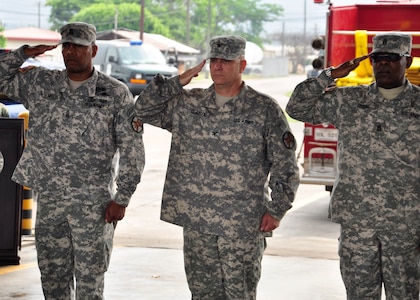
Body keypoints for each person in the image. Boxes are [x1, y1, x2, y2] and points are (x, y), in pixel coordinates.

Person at [133, 35, 300, 299]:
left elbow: (285, 164)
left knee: (240, 294)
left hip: (242, 224)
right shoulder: (190, 103)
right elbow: (142, 110)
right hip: (198, 222)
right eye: (214, 60)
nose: (218, 66)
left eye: (226, 61)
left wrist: (277, 209)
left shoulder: (264, 109)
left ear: (241, 65)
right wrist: (176, 83)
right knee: (202, 294)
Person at [0, 22, 145, 299]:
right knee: (53, 280)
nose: (71, 51)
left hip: (93, 205)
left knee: (90, 282)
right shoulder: (41, 82)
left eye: (78, 46)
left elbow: (132, 148)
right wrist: (22, 54)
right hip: (51, 202)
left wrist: (122, 197)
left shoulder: (114, 93)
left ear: (93, 49)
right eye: (66, 45)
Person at [286, 32, 419, 299]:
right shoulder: (349, 101)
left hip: (405, 225)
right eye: (377, 58)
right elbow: (297, 108)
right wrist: (330, 75)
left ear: (409, 59)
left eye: (391, 58)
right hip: (358, 224)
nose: (383, 64)